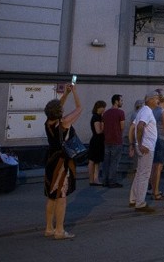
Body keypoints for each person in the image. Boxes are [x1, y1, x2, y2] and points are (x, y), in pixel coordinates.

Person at [43, 84, 82, 239]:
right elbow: (79, 108)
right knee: (61, 197)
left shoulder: (48, 123)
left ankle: (48, 228)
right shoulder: (65, 122)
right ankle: (59, 230)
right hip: (61, 162)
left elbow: (57, 108)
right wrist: (74, 93)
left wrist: (65, 94)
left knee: (51, 196)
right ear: (60, 112)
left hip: (50, 160)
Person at [129, 92, 159, 212]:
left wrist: (134, 143)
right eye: (156, 98)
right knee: (144, 174)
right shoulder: (146, 111)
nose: (158, 100)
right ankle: (140, 202)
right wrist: (140, 144)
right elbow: (140, 126)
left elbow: (134, 126)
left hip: (142, 145)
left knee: (139, 173)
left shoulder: (142, 110)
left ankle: (134, 199)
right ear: (150, 100)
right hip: (146, 146)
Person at [102, 94, 125, 187]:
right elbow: (122, 127)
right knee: (114, 162)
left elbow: (103, 127)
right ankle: (112, 181)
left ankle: (105, 180)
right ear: (116, 101)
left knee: (106, 161)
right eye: (121, 100)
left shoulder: (106, 113)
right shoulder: (120, 113)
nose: (122, 102)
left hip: (107, 140)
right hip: (116, 140)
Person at [150, 94, 164, 201]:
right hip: (163, 139)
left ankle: (153, 189)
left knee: (154, 166)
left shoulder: (154, 110)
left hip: (154, 139)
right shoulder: (163, 112)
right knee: (159, 167)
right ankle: (156, 191)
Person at [86, 100, 105, 186]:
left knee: (96, 161)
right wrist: (104, 126)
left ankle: (95, 179)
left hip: (98, 141)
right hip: (96, 141)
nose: (104, 109)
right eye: (103, 107)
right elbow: (98, 131)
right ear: (99, 107)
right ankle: (92, 179)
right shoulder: (96, 117)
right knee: (93, 161)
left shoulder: (98, 117)